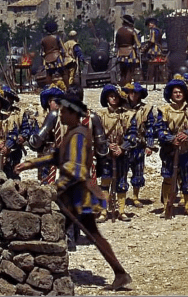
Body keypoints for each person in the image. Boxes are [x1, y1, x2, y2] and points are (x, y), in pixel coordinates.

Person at [14, 94, 132, 291]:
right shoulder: (74, 131)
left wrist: (54, 188)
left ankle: (119, 273)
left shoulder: (78, 134)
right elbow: (58, 156)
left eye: (62, 111)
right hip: (74, 194)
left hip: (79, 196)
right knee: (65, 231)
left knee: (87, 233)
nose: (59, 115)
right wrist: (29, 164)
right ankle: (51, 270)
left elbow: (75, 169)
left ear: (71, 113)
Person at [156, 77, 188, 217]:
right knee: (169, 178)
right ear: (171, 94)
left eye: (180, 92)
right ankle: (167, 205)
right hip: (170, 151)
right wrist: (171, 139)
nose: (177, 94)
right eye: (175, 92)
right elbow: (159, 129)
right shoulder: (163, 110)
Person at [96, 84, 131, 222]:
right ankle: (104, 212)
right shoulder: (100, 115)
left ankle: (121, 211)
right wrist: (107, 145)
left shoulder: (128, 115)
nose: (114, 99)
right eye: (111, 96)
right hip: (106, 154)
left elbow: (132, 134)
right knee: (105, 182)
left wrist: (122, 147)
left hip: (121, 154)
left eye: (116, 96)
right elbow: (96, 135)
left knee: (121, 182)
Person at [122, 81, 157, 211]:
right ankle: (121, 197)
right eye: (131, 92)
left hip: (139, 145)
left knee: (138, 171)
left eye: (135, 92)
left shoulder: (146, 109)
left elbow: (150, 129)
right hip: (124, 145)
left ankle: (135, 197)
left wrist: (149, 145)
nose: (133, 95)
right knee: (122, 172)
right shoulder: (122, 108)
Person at [27, 83, 66, 184]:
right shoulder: (39, 119)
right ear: (49, 102)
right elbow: (33, 143)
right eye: (56, 101)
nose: (58, 104)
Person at [0, 85, 36, 179]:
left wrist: (22, 137)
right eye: (5, 97)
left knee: (14, 174)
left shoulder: (19, 113)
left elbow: (26, 128)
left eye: (9, 98)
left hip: (14, 149)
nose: (7, 100)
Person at [115, 14, 141, 86]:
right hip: (130, 53)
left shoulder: (119, 31)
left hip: (120, 53)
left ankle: (122, 84)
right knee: (130, 71)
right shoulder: (132, 31)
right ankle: (128, 85)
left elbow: (116, 43)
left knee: (122, 72)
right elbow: (138, 44)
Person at [142, 17, 165, 85]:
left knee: (151, 65)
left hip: (153, 50)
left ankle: (150, 79)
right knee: (157, 66)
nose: (149, 26)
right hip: (159, 49)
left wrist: (145, 48)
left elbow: (152, 41)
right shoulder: (159, 30)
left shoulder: (153, 30)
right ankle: (158, 79)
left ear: (152, 24)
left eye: (149, 24)